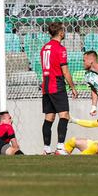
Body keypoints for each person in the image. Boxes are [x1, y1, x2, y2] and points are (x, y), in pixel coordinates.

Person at [39, 22, 77, 155]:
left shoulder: (44, 48)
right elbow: (65, 71)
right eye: (63, 31)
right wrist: (73, 87)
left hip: (46, 86)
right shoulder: (60, 49)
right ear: (60, 32)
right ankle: (60, 147)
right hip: (57, 84)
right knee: (64, 115)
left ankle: (46, 148)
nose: (64, 33)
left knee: (49, 117)